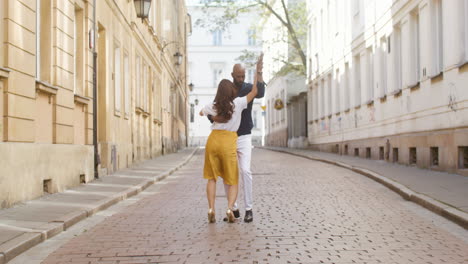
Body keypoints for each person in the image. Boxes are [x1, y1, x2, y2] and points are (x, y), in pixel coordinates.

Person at [200, 56, 262, 223]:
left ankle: (220, 208)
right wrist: (257, 71)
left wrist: (215, 117)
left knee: (221, 176)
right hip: (229, 140)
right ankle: (231, 208)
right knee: (231, 175)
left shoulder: (215, 105)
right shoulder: (237, 102)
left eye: (243, 76)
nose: (241, 79)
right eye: (239, 76)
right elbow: (254, 92)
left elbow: (201, 112)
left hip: (224, 139)